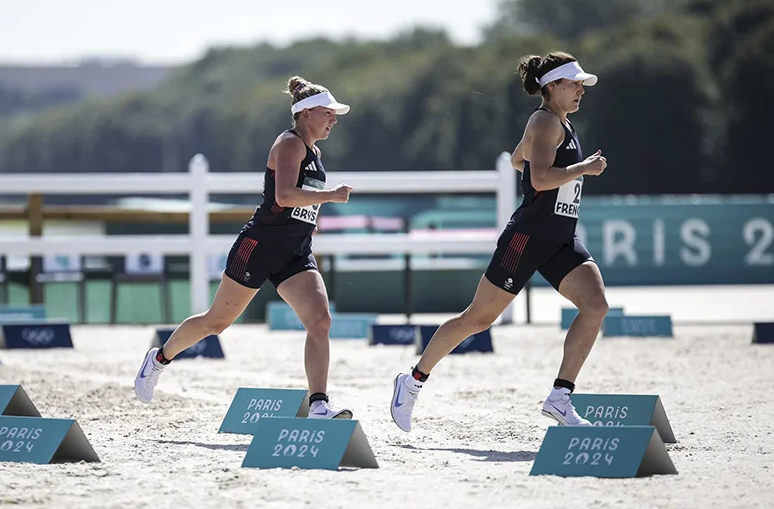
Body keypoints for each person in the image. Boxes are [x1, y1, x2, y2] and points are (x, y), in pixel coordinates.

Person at [390, 51, 609, 431]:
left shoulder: (560, 123)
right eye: (574, 84)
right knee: (477, 319)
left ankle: (560, 397)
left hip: (560, 237)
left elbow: (518, 161)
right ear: (551, 86)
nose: (580, 90)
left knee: (596, 306)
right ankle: (411, 382)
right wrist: (583, 168)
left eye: (581, 84)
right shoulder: (544, 120)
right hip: (528, 237)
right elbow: (539, 179)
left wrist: (563, 171)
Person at [134, 75, 356, 420]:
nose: (334, 119)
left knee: (321, 321)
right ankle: (159, 358)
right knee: (216, 322)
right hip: (260, 246)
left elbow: (302, 204)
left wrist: (314, 220)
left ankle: (319, 405)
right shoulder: (290, 144)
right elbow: (283, 196)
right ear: (307, 113)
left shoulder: (315, 152)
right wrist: (329, 196)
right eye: (328, 113)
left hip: (295, 251)